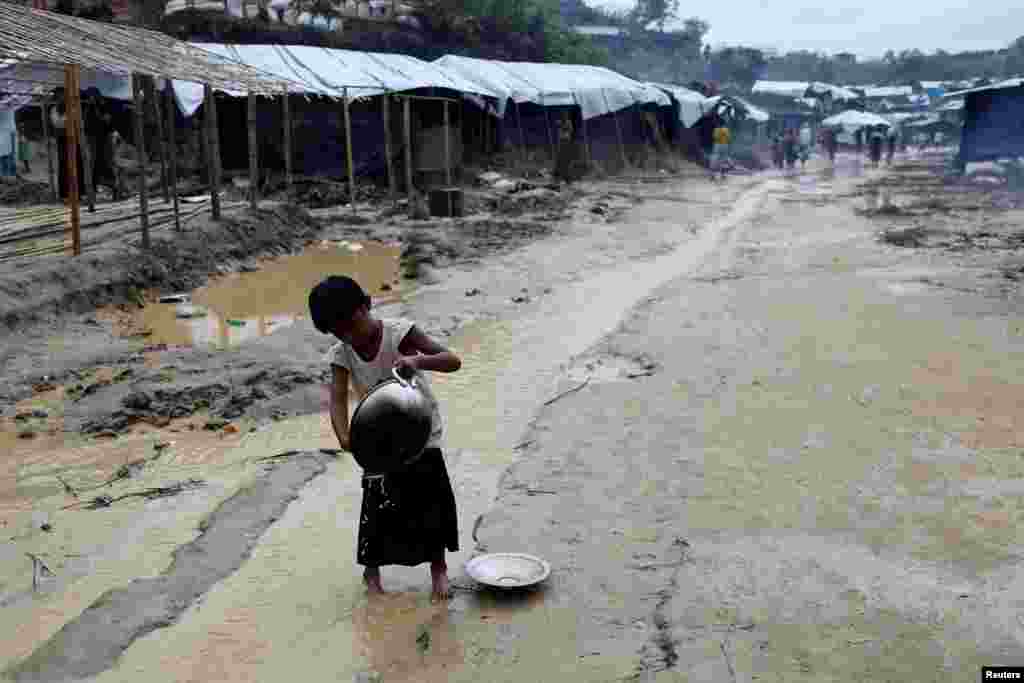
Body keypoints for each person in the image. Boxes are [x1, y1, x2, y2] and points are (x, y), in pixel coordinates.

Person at [309, 275, 462, 602]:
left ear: (366, 305)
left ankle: (439, 570)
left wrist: (417, 360)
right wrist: (344, 436)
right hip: (377, 439)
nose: (349, 336)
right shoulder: (342, 354)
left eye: (351, 325)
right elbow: (336, 400)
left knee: (429, 502)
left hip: (420, 431)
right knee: (377, 507)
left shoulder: (400, 333)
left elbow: (453, 361)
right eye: (339, 333)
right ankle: (372, 575)